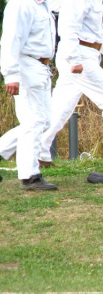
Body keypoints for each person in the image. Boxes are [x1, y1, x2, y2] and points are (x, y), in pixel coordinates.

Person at [37, 0, 103, 166]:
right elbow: (68, 28)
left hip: (86, 55)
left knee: (60, 109)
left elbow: (97, 30)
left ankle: (39, 152)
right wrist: (74, 60)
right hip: (78, 57)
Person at [0, 0, 57, 190]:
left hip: (40, 67)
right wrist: (11, 75)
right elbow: (11, 40)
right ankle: (29, 175)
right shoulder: (21, 4)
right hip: (26, 66)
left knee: (44, 121)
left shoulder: (43, 4)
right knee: (33, 122)